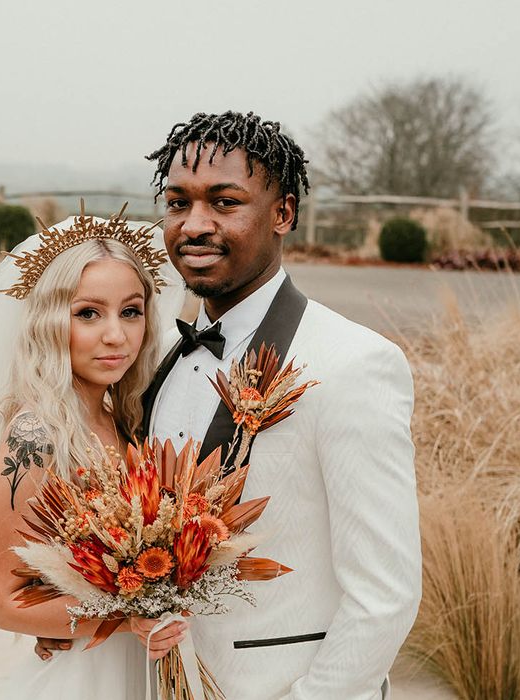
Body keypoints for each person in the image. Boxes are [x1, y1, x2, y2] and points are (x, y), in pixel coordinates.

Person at [37, 111, 422, 699]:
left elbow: (386, 594)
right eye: (177, 202)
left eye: (224, 202)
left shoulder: (353, 365)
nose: (195, 225)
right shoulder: (156, 356)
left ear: (283, 213)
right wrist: (79, 612)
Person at [0, 211, 188, 699]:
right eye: (88, 313)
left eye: (130, 312)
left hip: (136, 663)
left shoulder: (122, 417)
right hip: (84, 678)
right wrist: (129, 616)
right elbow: (7, 604)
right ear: (49, 321)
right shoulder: (35, 437)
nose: (116, 335)